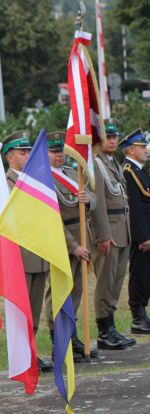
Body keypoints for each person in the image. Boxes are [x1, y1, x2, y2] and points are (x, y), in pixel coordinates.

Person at [44, 131, 100, 360]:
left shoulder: (71, 172)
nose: (59, 156)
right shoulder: (43, 178)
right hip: (62, 241)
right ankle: (59, 339)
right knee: (58, 291)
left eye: (61, 152)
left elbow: (93, 198)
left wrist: (90, 200)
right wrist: (73, 246)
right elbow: (53, 218)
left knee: (76, 290)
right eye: (54, 152)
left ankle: (73, 336)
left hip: (82, 237)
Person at [2, 131, 53, 372]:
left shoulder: (35, 182)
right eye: (23, 152)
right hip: (20, 258)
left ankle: (31, 355)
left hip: (39, 255)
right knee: (21, 312)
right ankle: (23, 359)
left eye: (29, 151)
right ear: (10, 157)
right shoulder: (6, 186)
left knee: (33, 309)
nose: (29, 155)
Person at [91, 121, 136, 349]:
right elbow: (97, 204)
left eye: (114, 137)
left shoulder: (113, 162)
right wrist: (103, 235)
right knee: (105, 284)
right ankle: (103, 331)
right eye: (107, 137)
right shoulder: (96, 164)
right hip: (108, 231)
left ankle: (111, 327)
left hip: (122, 229)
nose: (112, 141)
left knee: (116, 282)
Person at [120, 129, 150, 335]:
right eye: (141, 147)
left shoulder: (139, 170)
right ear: (130, 150)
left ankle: (143, 313)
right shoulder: (128, 171)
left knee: (148, 272)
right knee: (139, 273)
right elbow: (134, 207)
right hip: (143, 232)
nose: (145, 150)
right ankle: (137, 316)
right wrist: (141, 235)